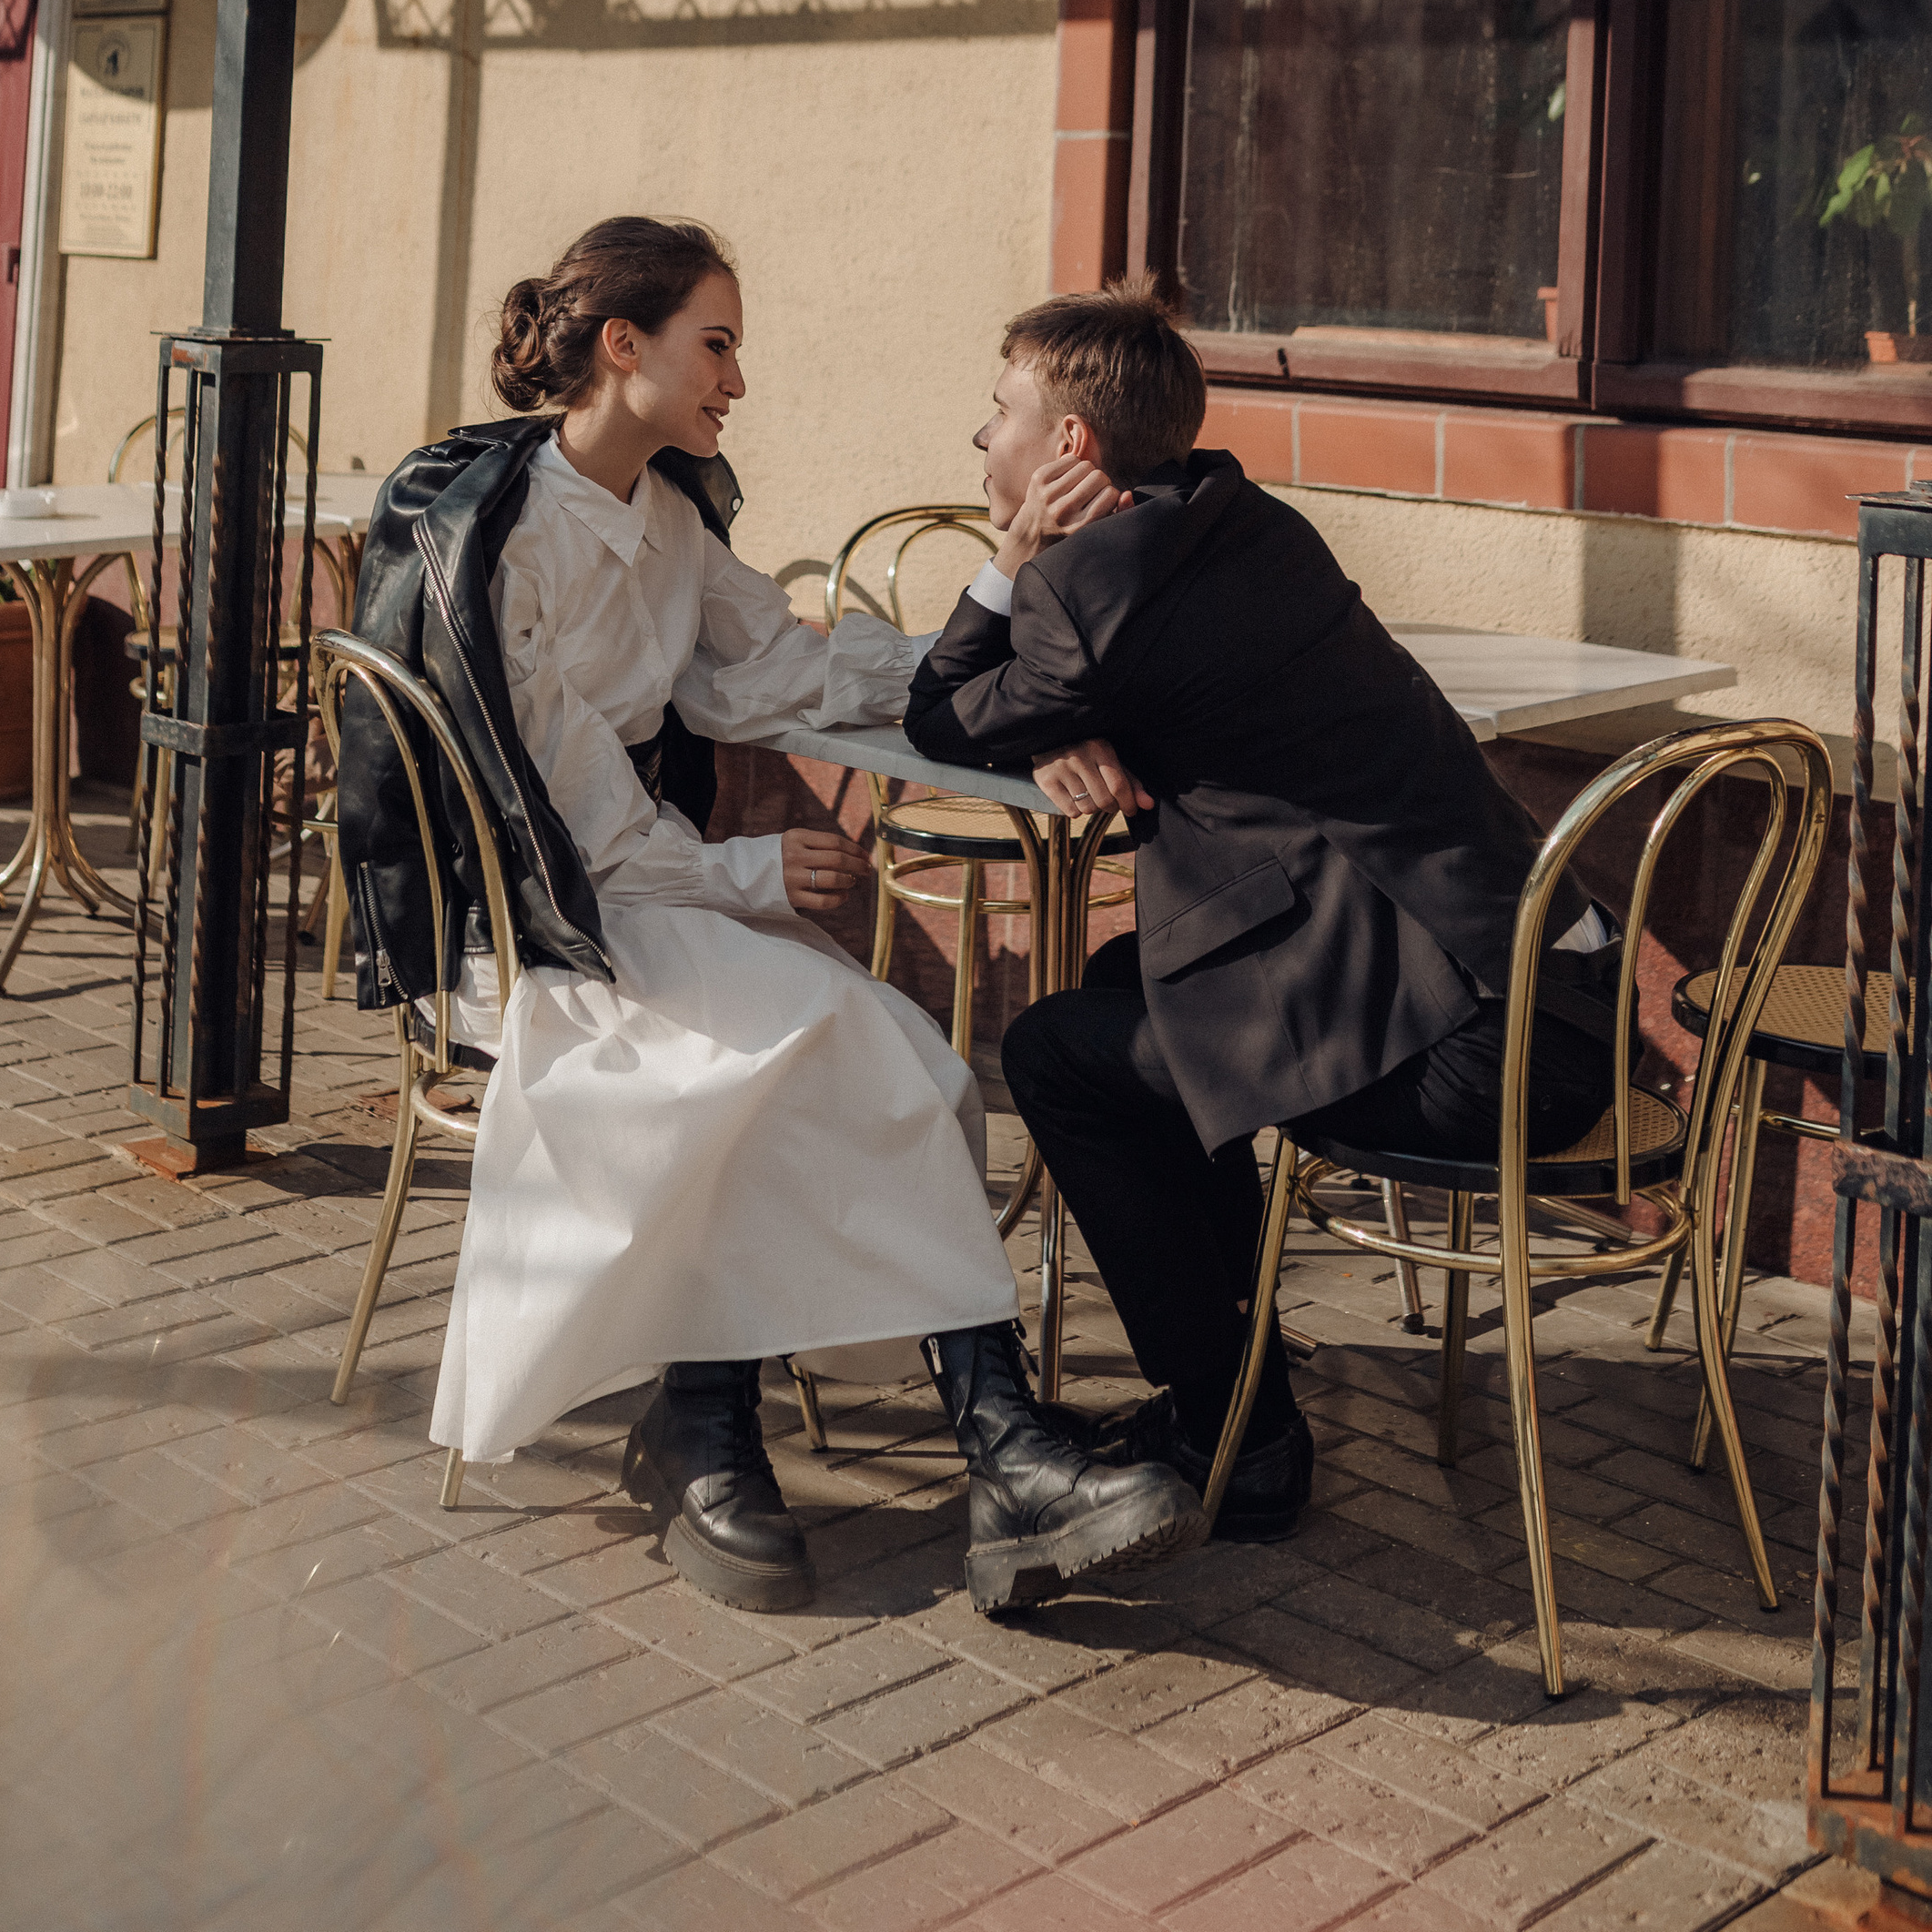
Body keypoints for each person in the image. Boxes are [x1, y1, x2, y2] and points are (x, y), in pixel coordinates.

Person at [333, 217, 1201, 1615]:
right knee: (826, 1034)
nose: (738, 381)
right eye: (717, 345)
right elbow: (563, 821)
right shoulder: (505, 541)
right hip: (533, 921)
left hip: (645, 889)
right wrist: (750, 875)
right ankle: (823, 1435)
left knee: (896, 1054)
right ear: (626, 346)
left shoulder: (665, 519)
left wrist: (1016, 648)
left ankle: (816, 1437)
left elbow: (784, 677)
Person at [904, 278, 1620, 1541]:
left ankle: (1239, 1435)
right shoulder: (1244, 518)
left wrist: (1011, 561)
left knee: (1055, 1055)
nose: (979, 434)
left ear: (1069, 443)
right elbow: (1137, 682)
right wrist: (1067, 719)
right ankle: (1237, 1400)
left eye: (998, 409)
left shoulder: (1088, 585)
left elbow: (936, 711)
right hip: (1549, 1000)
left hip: (1473, 1055)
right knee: (1132, 988)